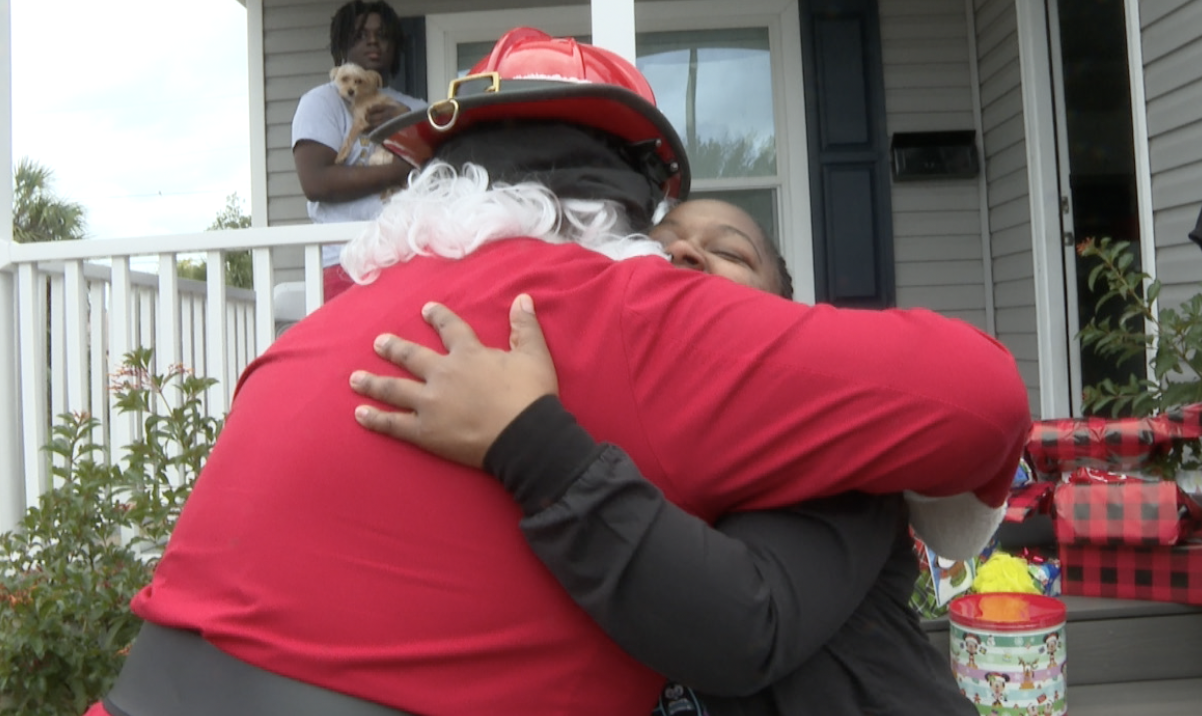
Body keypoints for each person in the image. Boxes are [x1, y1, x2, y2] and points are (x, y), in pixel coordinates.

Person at [89, 29, 1028, 716]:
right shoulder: (624, 312)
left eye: (730, 251)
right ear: (628, 209)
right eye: (674, 242)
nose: (690, 267)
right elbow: (983, 395)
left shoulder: (308, 341)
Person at [347, 199, 978, 715]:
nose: (682, 251)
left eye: (731, 252)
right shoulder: (604, 427)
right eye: (658, 241)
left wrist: (526, 442)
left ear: (788, 326)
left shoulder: (835, 445)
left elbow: (741, 629)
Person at [291, 0, 427, 299]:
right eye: (360, 34)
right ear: (342, 43)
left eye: (383, 34)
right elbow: (315, 182)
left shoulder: (417, 109)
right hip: (345, 260)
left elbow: (440, 178)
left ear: (396, 44)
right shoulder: (322, 102)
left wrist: (408, 125)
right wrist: (401, 170)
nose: (373, 41)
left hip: (410, 256)